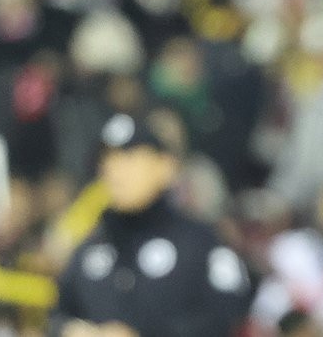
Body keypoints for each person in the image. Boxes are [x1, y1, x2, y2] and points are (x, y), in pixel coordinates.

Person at [49, 112, 252, 336]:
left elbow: (227, 317)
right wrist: (70, 330)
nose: (115, 170)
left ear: (166, 166)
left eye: (130, 157)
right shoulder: (90, 247)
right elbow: (57, 315)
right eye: (107, 159)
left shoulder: (200, 243)